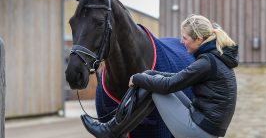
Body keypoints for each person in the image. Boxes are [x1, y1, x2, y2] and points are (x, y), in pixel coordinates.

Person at [81, 14, 238, 138]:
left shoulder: (207, 62)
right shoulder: (214, 58)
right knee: (152, 79)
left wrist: (138, 78)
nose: (182, 42)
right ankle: (114, 127)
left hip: (200, 131)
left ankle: (111, 129)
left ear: (198, 39)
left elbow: (168, 85)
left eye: (185, 38)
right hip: (205, 124)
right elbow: (179, 77)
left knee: (154, 87)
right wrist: (150, 73)